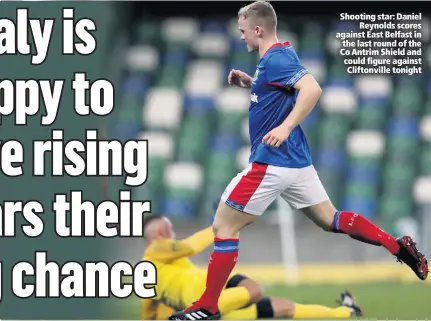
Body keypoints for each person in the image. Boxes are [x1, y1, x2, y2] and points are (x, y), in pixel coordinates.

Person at [168, 1, 429, 320]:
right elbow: (282, 92)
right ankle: (396, 246)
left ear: (258, 29)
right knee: (330, 219)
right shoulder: (272, 61)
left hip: (271, 163)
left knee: (223, 226)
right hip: (297, 164)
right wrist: (251, 84)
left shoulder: (276, 58)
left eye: (243, 31)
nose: (241, 37)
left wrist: (285, 126)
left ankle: (207, 306)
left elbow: (312, 89)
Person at [141, 214, 363, 320]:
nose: (174, 234)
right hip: (207, 290)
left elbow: (149, 310)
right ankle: (200, 313)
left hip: (216, 305)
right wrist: (220, 226)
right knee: (255, 290)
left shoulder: (150, 274)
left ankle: (347, 312)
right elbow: (189, 246)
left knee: (283, 307)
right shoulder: (157, 249)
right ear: (160, 234)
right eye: (171, 230)